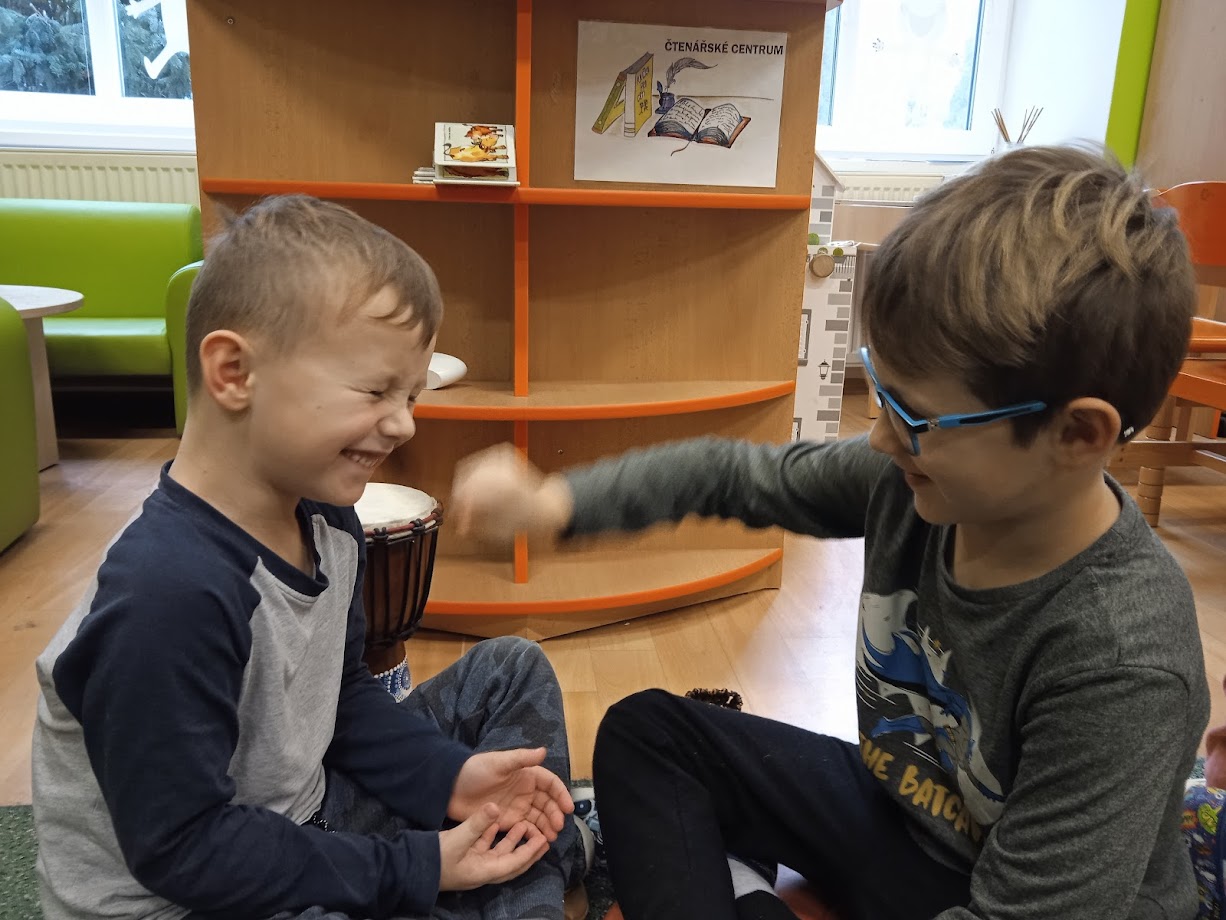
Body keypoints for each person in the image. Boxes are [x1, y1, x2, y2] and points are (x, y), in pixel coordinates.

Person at [448, 146, 1210, 920]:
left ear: (1077, 435)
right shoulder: (910, 480)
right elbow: (734, 476)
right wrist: (555, 503)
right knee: (649, 734)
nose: (879, 436)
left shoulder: (1122, 656)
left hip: (1010, 897)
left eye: (912, 416)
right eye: (879, 389)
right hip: (905, 822)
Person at [31, 195, 586, 920]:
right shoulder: (167, 592)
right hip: (190, 895)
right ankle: (538, 867)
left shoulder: (326, 516)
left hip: (305, 819)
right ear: (234, 372)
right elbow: (186, 850)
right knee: (454, 869)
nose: (403, 423)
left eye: (411, 394)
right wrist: (417, 865)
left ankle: (514, 868)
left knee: (512, 667)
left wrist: (448, 777)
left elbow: (340, 697)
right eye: (376, 391)